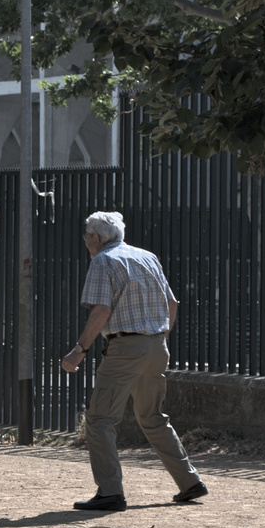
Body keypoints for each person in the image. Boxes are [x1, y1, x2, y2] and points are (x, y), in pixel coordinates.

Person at [60, 211, 206, 511]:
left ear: (96, 238)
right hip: (156, 346)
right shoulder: (146, 256)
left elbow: (101, 310)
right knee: (152, 417)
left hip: (126, 348)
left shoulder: (102, 261)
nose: (86, 242)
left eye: (87, 237)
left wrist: (79, 349)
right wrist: (160, 335)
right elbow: (172, 303)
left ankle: (110, 492)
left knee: (100, 420)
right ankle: (189, 481)